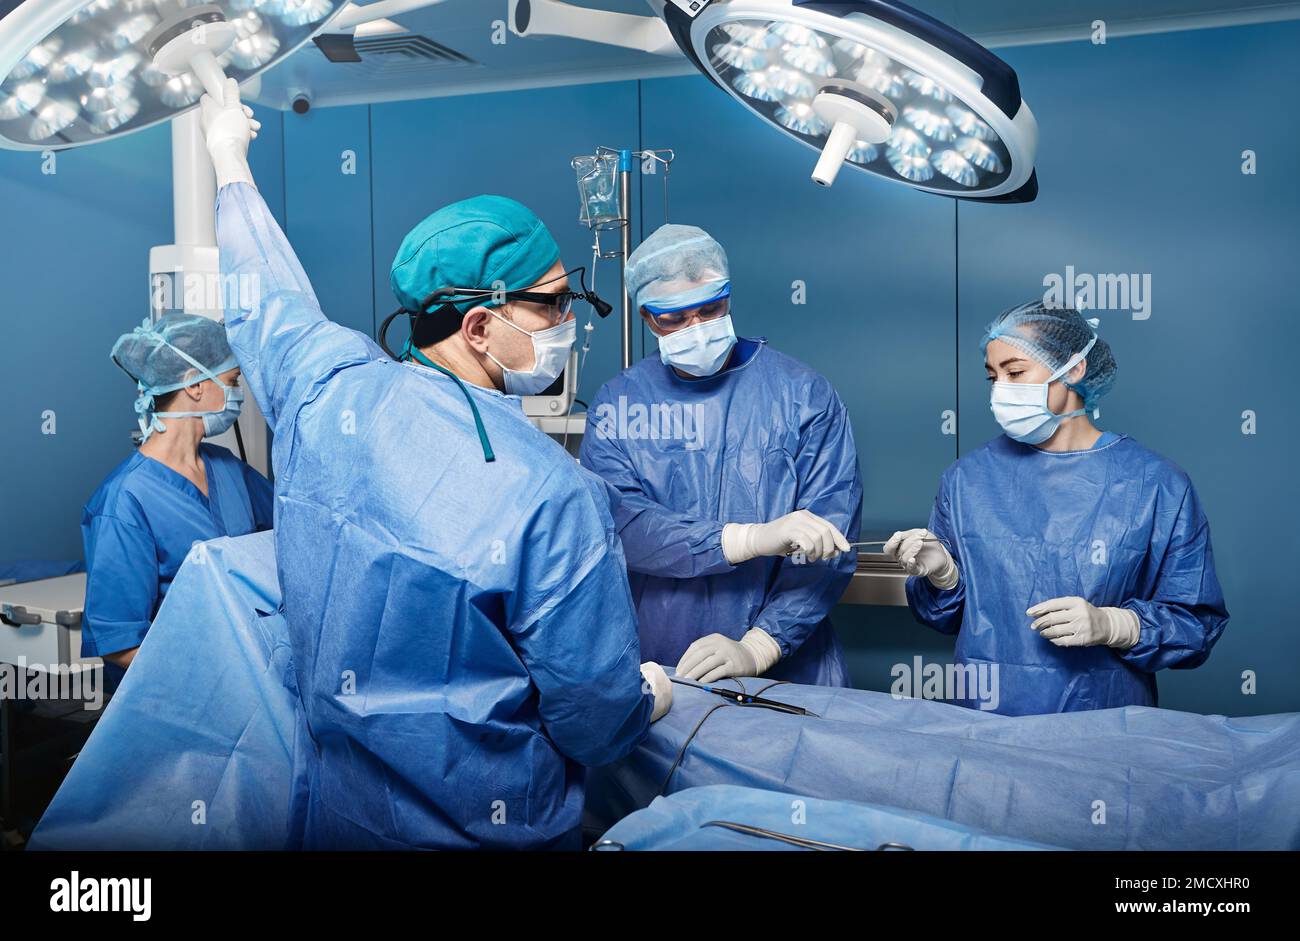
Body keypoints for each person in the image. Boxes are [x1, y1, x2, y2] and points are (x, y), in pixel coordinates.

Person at [200, 79, 669, 850]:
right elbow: (591, 717)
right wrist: (645, 700)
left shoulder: (326, 389)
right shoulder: (552, 495)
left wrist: (228, 163)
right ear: (480, 325)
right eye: (552, 304)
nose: (569, 321)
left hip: (337, 821)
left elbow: (267, 302)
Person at [886, 301, 1228, 715]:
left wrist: (1115, 626)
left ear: (1073, 369)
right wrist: (944, 575)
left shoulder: (1153, 484)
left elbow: (1196, 623)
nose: (1001, 390)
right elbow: (946, 618)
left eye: (1015, 373)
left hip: (1103, 727)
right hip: (983, 722)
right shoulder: (967, 480)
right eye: (993, 377)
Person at [580, 224, 863, 687]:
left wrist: (760, 646)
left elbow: (828, 542)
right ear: (647, 318)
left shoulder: (803, 396)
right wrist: (751, 538)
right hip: (660, 659)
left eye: (710, 309)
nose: (696, 328)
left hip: (787, 670)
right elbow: (625, 528)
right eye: (674, 317)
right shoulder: (619, 405)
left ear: (728, 296)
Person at [81, 313, 273, 687]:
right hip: (182, 700)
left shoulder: (230, 471)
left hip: (250, 680)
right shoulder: (124, 500)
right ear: (194, 385)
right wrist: (215, 671)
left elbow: (294, 531)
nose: (239, 394)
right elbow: (119, 644)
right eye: (233, 381)